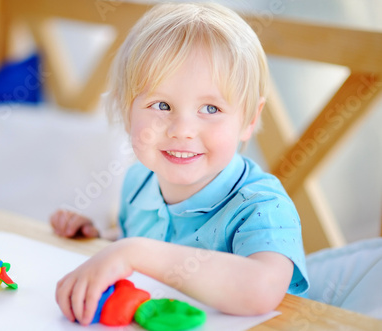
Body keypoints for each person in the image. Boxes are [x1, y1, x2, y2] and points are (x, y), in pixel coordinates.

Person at [50, 2, 309, 325]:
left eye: (210, 109)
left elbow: (263, 287)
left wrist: (131, 251)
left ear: (250, 118)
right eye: (161, 104)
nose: (182, 130)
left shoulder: (262, 207)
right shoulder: (139, 181)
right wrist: (105, 240)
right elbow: (153, 259)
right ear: (126, 109)